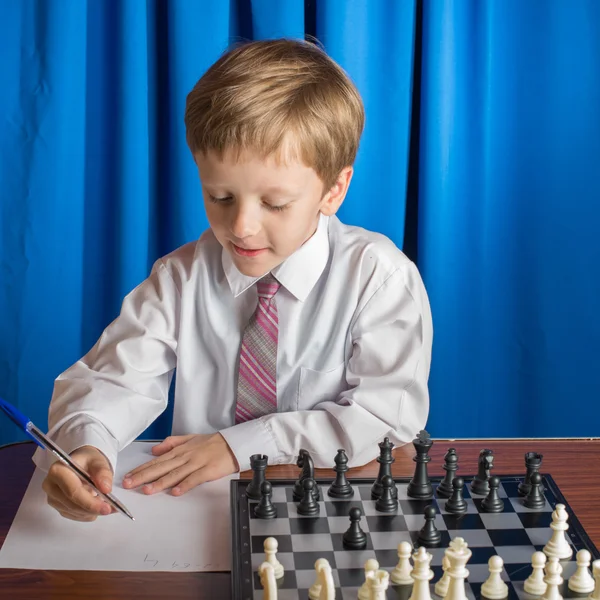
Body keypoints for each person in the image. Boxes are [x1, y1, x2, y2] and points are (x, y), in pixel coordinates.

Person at [35, 38, 433, 522]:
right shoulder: (180, 277)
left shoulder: (380, 278)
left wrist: (240, 445)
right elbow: (111, 380)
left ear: (334, 189)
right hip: (199, 515)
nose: (241, 226)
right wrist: (87, 443)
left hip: (331, 513)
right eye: (220, 196)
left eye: (275, 204)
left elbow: (385, 421)